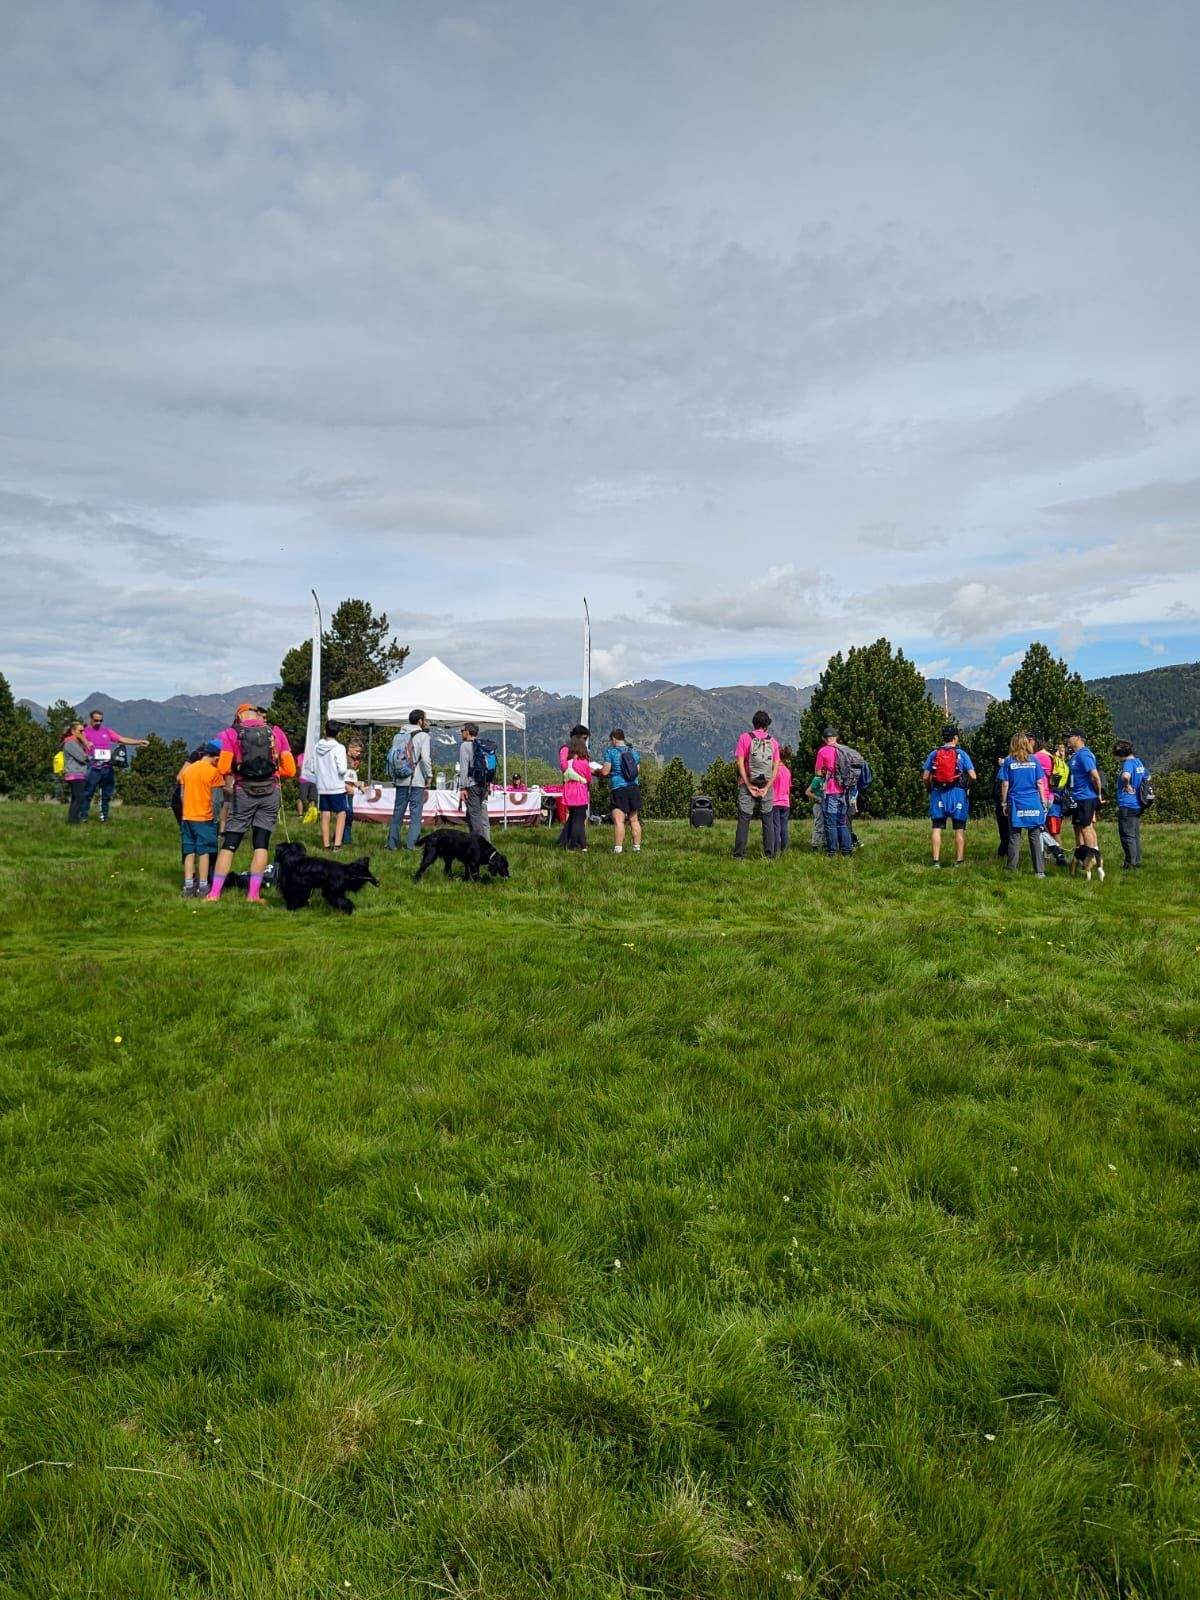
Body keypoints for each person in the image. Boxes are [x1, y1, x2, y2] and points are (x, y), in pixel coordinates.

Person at [206, 704, 296, 903]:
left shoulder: (231, 734)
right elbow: (290, 770)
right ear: (258, 716)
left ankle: (214, 894)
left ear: (239, 718)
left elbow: (222, 768)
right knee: (261, 843)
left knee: (230, 843)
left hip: (243, 792)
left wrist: (236, 771)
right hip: (271, 791)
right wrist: (274, 774)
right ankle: (253, 894)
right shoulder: (275, 732)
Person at [78, 707, 148, 822]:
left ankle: (104, 817)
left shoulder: (107, 731)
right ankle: (83, 816)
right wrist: (86, 742)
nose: (98, 723)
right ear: (91, 719)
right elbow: (77, 735)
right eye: (96, 720)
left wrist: (139, 742)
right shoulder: (85, 732)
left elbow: (121, 739)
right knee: (88, 793)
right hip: (93, 768)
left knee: (106, 795)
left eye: (100, 720)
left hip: (107, 768)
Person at [921, 725, 976, 867]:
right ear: (955, 738)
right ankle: (959, 862)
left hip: (938, 793)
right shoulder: (961, 754)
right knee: (959, 829)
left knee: (936, 827)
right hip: (957, 793)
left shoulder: (934, 754)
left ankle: (936, 862)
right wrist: (967, 786)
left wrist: (929, 789)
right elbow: (973, 776)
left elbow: (925, 776)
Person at [176, 740, 224, 897]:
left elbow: (182, 795)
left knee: (189, 850)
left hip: (187, 816)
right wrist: (216, 818)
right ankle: (203, 886)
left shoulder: (188, 771)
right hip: (205, 817)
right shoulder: (214, 773)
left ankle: (188, 885)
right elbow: (217, 800)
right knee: (204, 852)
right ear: (216, 758)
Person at [999, 732, 1049, 875]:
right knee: (1034, 836)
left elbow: (1005, 783)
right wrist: (1043, 801)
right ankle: (1039, 871)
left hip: (1016, 802)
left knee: (1014, 836)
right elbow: (1040, 782)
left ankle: (1011, 869)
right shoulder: (1034, 760)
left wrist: (1004, 803)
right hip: (1033, 801)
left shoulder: (1009, 762)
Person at [733, 710, 779, 860]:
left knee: (744, 819)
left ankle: (739, 855)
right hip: (767, 784)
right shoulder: (773, 742)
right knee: (767, 819)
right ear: (766, 726)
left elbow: (739, 762)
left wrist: (746, 784)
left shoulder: (744, 738)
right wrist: (766, 787)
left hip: (747, 784)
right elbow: (776, 767)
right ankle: (769, 855)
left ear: (754, 724)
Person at [385, 709, 432, 852]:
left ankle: (392, 845)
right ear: (420, 721)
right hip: (415, 780)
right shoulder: (423, 736)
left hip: (400, 779)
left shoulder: (398, 735)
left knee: (397, 812)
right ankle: (412, 845)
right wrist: (429, 775)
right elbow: (425, 758)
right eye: (425, 719)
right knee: (415, 814)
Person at [601, 728, 643, 854]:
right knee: (634, 820)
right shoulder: (633, 752)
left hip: (619, 789)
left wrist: (599, 771)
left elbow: (605, 772)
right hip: (633, 788)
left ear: (613, 739)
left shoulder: (611, 752)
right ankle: (637, 848)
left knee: (619, 821)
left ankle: (618, 849)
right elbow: (637, 771)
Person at [814, 726, 852, 857]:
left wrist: (826, 771)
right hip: (845, 791)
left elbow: (818, 772)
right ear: (836, 737)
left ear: (824, 739)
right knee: (842, 821)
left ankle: (832, 852)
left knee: (831, 823)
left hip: (831, 791)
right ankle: (847, 850)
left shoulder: (823, 751)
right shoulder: (845, 750)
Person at [311, 722, 350, 849]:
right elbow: (342, 769)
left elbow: (312, 767)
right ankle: (337, 844)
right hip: (336, 786)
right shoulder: (339, 748)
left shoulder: (317, 746)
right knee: (341, 813)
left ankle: (326, 844)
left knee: (325, 814)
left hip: (322, 786)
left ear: (325, 731)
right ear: (338, 733)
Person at [1066, 728, 1103, 857]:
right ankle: (1083, 856)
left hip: (1085, 796)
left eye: (1070, 736)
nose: (1068, 739)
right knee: (1079, 827)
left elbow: (1094, 776)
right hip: (1077, 796)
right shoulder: (1075, 755)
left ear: (1078, 738)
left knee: (1086, 827)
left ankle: (1092, 857)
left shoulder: (1084, 754)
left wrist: (1098, 793)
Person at [1114, 739, 1148, 869]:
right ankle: (1137, 860)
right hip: (1138, 803)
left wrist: (1127, 785)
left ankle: (1130, 863)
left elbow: (1125, 776)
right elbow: (1147, 777)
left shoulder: (1128, 763)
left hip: (1127, 804)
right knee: (1134, 834)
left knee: (1126, 834)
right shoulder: (1138, 762)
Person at [457, 721, 492, 841]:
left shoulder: (465, 746)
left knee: (475, 817)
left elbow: (463, 768)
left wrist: (462, 787)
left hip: (472, 785)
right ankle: (478, 842)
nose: (461, 733)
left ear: (467, 732)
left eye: (462, 731)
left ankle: (481, 847)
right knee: (477, 814)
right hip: (484, 784)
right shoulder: (482, 745)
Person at [556, 725, 589, 845]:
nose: (585, 741)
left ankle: (564, 840)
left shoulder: (569, 749)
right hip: (575, 786)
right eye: (584, 738)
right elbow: (564, 766)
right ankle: (576, 842)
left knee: (574, 816)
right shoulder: (566, 749)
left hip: (573, 785)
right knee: (578, 817)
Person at [61, 722, 91, 824]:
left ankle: (73, 820)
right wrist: (87, 746)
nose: (83, 733)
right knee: (79, 799)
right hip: (75, 774)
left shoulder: (75, 743)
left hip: (78, 774)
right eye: (80, 731)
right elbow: (82, 758)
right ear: (73, 731)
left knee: (76, 799)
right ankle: (73, 821)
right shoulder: (71, 743)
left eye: (83, 731)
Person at [773, 744, 794, 853]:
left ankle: (775, 850)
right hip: (785, 802)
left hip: (775, 801)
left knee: (775, 828)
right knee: (784, 828)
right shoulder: (787, 770)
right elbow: (788, 789)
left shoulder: (774, 770)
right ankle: (784, 850)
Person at [805, 767, 826, 850]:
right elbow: (808, 792)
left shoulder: (828, 780)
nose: (824, 771)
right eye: (823, 769)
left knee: (826, 825)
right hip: (818, 805)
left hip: (827, 805)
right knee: (819, 825)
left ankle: (825, 843)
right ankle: (815, 844)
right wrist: (817, 798)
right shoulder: (817, 779)